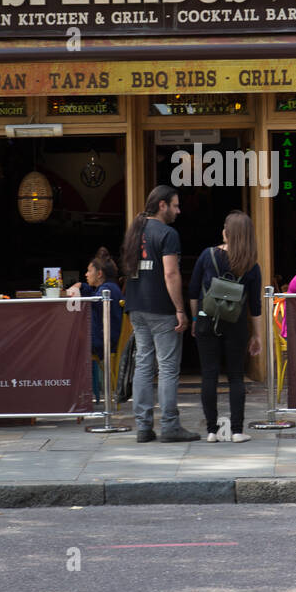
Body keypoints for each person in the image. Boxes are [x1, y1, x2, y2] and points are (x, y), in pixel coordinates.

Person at [121, 185, 199, 443]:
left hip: (136, 306)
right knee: (167, 368)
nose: (178, 211)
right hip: (161, 308)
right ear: (162, 205)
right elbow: (170, 273)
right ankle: (169, 425)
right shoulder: (168, 233)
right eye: (175, 205)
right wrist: (180, 309)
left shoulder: (135, 230)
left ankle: (143, 427)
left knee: (143, 364)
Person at [189, 211, 264, 443]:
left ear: (226, 232)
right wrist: (257, 335)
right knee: (236, 376)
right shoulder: (252, 266)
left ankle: (212, 430)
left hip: (206, 319)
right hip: (236, 323)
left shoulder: (207, 255)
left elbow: (193, 291)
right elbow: (255, 305)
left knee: (209, 374)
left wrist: (195, 320)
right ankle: (238, 431)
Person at [66, 248, 123, 406]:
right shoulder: (109, 287)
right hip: (103, 340)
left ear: (99, 274)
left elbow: (90, 303)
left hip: (103, 343)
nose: (86, 274)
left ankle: (70, 396)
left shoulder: (106, 290)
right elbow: (87, 288)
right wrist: (78, 286)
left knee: (65, 348)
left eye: (89, 271)